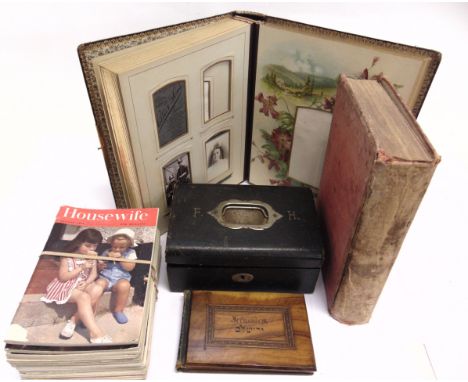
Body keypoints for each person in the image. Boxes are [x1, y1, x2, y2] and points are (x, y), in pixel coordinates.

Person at [41, 229, 112, 344]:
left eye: (94, 246)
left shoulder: (92, 257)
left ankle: (73, 321)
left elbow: (93, 274)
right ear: (79, 243)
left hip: (81, 284)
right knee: (84, 297)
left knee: (98, 288)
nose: (91, 249)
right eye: (88, 246)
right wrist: (81, 267)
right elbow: (63, 277)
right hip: (66, 285)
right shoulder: (67, 257)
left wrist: (86, 282)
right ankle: (96, 334)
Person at [87, 228, 137, 324]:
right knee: (98, 284)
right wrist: (100, 266)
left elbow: (130, 267)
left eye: (121, 247)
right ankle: (90, 313)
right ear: (111, 244)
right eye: (115, 247)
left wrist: (121, 259)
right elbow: (99, 265)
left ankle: (118, 310)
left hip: (120, 279)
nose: (117, 249)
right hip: (105, 277)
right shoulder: (106, 252)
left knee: (125, 285)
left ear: (128, 246)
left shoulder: (131, 253)